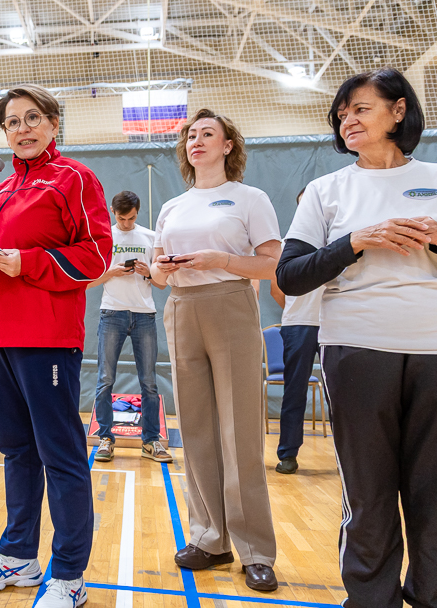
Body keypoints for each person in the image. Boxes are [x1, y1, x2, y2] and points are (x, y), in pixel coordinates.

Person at [276, 67, 437, 608]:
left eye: (360, 108)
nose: (348, 120)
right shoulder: (327, 191)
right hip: (357, 348)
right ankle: (371, 600)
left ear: (398, 111)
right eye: (342, 114)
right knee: (368, 494)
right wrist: (355, 241)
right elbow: (290, 274)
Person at [0, 84, 112, 608]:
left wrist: (31, 262)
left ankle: (69, 573)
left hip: (46, 340)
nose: (22, 129)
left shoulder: (74, 179)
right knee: (16, 451)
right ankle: (18, 555)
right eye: (12, 122)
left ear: (53, 124)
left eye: (32, 118)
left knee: (61, 456)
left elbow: (95, 257)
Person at [149, 108, 281, 592]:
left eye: (208, 134)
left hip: (230, 304)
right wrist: (161, 268)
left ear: (228, 145)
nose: (196, 140)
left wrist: (220, 259)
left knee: (239, 430)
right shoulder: (171, 207)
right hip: (181, 308)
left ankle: (255, 549)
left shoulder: (249, 198)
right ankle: (210, 537)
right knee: (197, 428)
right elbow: (158, 276)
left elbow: (271, 264)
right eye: (190, 135)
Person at [88, 190, 171, 464]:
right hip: (112, 312)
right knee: (105, 380)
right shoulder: (104, 237)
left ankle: (151, 441)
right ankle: (105, 438)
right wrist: (111, 272)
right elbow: (87, 281)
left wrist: (147, 272)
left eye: (131, 218)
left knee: (149, 381)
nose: (126, 223)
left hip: (144, 314)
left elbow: (161, 283)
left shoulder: (149, 237)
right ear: (113, 211)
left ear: (138, 213)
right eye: (122, 218)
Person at [268, 188, 324, 475]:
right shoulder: (287, 244)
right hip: (298, 325)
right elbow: (277, 289)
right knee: (294, 392)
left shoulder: (339, 239)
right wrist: (297, 308)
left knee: (346, 394)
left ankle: (351, 455)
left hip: (336, 325)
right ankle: (288, 454)